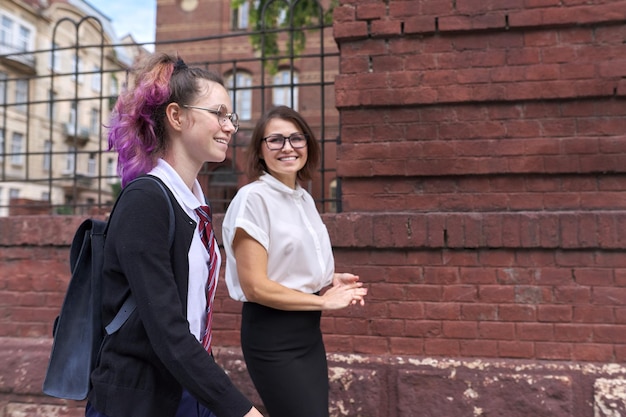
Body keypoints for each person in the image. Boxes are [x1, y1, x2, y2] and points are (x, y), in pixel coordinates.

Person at [86, 53, 263, 417]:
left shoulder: (193, 205)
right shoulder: (146, 200)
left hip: (188, 392)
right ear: (177, 116)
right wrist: (240, 409)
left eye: (232, 116)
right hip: (138, 401)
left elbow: (194, 320)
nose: (230, 126)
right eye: (218, 113)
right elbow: (167, 331)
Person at [221, 105, 368, 417]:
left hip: (307, 334)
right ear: (260, 151)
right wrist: (323, 303)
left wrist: (328, 278)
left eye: (296, 139)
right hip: (273, 336)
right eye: (275, 140)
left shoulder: (302, 197)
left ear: (307, 145)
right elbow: (256, 286)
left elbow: (287, 262)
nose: (287, 147)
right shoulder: (253, 199)